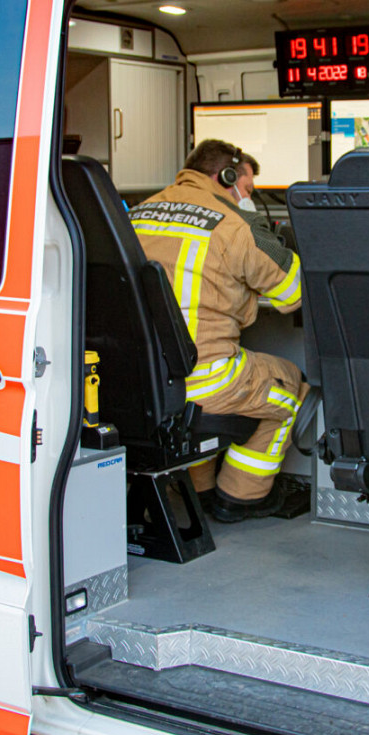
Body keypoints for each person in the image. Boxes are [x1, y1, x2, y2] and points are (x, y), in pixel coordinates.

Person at [130, 140, 308, 522]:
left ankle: (201, 490)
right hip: (202, 380)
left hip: (140, 380)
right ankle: (240, 497)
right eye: (247, 189)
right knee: (291, 387)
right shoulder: (238, 225)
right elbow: (293, 292)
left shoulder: (136, 214)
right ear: (226, 177)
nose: (249, 197)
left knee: (211, 382)